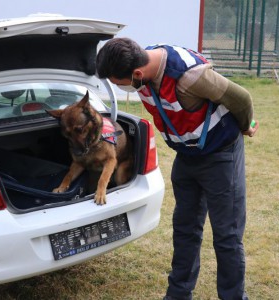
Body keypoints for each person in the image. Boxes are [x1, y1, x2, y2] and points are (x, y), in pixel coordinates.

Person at [96, 37, 259, 300]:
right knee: (185, 229)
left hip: (220, 155)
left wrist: (245, 126)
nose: (122, 89)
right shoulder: (141, 63)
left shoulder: (190, 76)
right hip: (187, 156)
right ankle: (178, 295)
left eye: (120, 84)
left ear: (137, 74)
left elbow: (240, 98)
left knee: (226, 235)